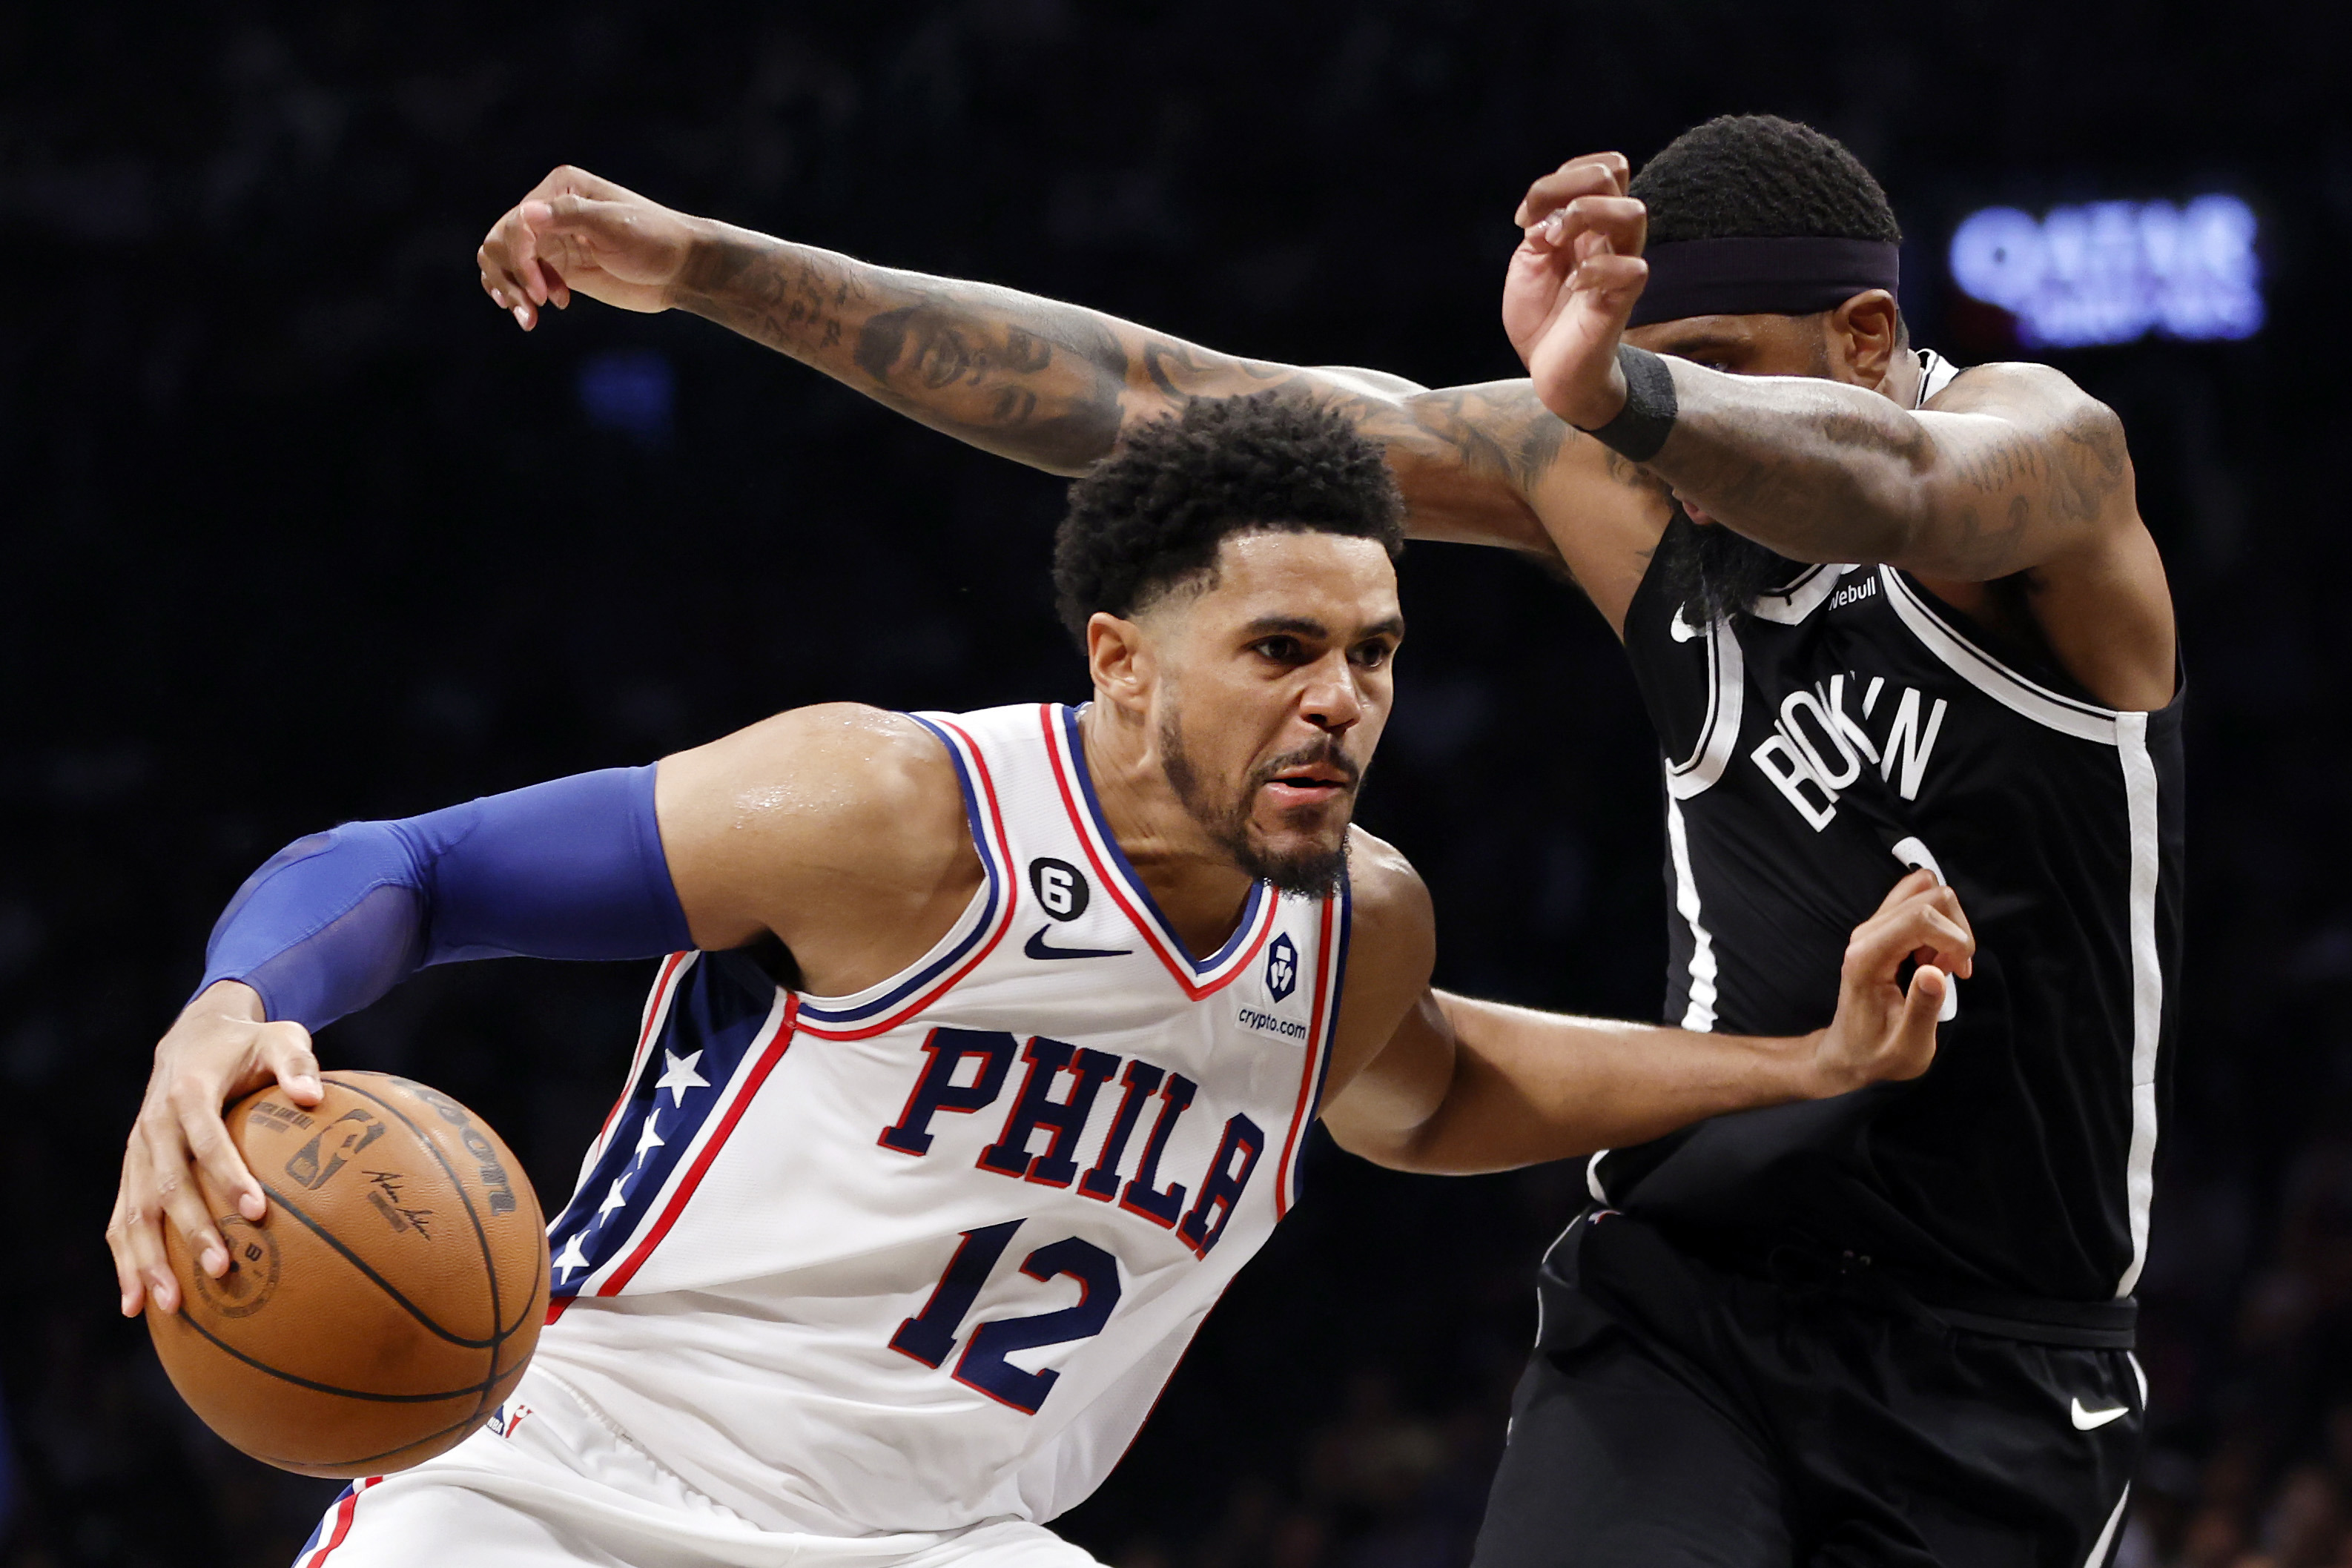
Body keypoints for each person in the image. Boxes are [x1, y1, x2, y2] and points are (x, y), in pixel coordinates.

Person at [473, 113, 2182, 1567]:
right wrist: (708, 265)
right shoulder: (1609, 466)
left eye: (1712, 365)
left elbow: (1891, 482)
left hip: (1994, 1351)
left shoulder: (2048, 467)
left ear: (1868, 333)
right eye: (1647, 369)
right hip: (1690, 1295)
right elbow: (1147, 396)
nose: (1664, 428)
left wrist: (1619, 392)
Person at [108, 394, 1966, 1567]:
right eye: (1281, 647)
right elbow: (417, 868)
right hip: (570, 1489)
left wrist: (1799, 1059)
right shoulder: (890, 813)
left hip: (958, 1535)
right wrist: (226, 1008)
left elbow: (1429, 1086)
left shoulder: (1358, 924)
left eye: (1376, 651)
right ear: (1121, 659)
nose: (1341, 698)